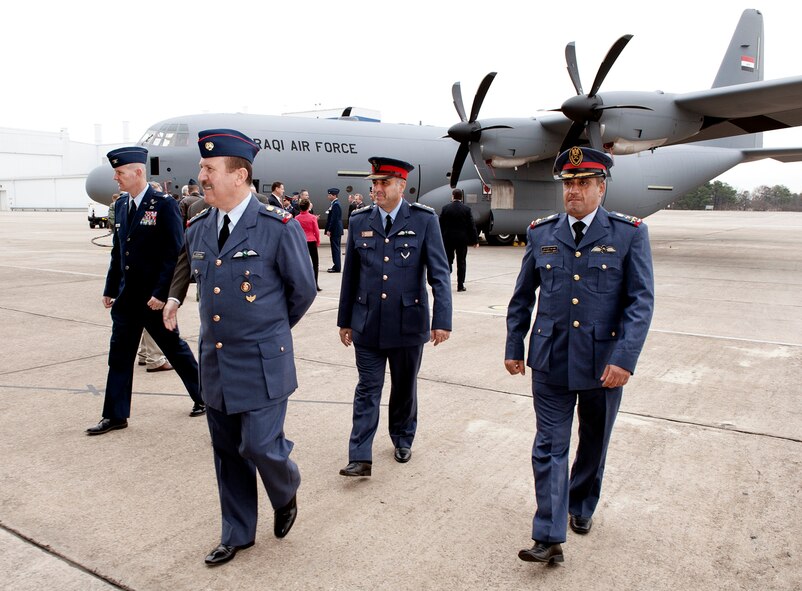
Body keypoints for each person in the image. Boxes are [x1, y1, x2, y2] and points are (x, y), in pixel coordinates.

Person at [505, 146, 655, 565]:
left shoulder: (628, 234)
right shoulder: (541, 232)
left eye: (582, 183)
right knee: (549, 445)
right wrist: (514, 344)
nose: (573, 192)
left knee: (593, 442)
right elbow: (521, 297)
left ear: (601, 188)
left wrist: (624, 358)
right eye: (568, 184)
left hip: (603, 363)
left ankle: (581, 504)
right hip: (550, 359)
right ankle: (548, 534)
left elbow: (640, 302)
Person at [180, 128, 317, 567]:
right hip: (216, 363)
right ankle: (237, 532)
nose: (201, 175)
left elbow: (303, 291)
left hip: (262, 362)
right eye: (202, 167)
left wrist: (271, 331)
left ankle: (286, 486)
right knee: (226, 452)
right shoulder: (198, 227)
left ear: (239, 176)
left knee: (259, 445)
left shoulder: (277, 227)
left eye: (209, 169)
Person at [336, 156, 452, 477]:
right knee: (367, 388)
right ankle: (360, 455)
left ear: (402, 185)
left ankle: (402, 436)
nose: (377, 189)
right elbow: (351, 277)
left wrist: (441, 319)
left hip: (408, 322)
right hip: (367, 322)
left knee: (403, 387)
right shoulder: (360, 221)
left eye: (384, 182)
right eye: (374, 183)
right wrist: (345, 320)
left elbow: (440, 274)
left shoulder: (424, 220)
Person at [86, 147, 205, 436]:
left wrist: (163, 293)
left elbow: (175, 251)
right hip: (127, 299)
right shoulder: (124, 205)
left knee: (175, 350)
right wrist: (111, 287)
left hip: (154, 299)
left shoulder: (163, 204)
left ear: (138, 172)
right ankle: (115, 415)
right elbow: (119, 251)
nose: (116, 178)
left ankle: (204, 398)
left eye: (120, 173)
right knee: (119, 356)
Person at [438, 188, 479, 292]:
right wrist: (475, 240)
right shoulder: (466, 209)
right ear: (461, 197)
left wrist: (439, 238)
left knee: (447, 261)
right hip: (462, 240)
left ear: (452, 196)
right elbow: (471, 225)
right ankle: (460, 285)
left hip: (448, 239)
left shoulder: (445, 208)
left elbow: (439, 224)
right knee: (461, 262)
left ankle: (446, 281)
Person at [295, 197, 321, 291]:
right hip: (311, 241)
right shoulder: (312, 217)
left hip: (301, 242)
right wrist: (318, 241)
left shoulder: (297, 218)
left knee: (302, 263)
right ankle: (315, 283)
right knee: (315, 263)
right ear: (308, 207)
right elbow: (316, 231)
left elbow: (296, 231)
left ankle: (302, 283)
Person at [324, 188, 343, 273]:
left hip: (335, 230)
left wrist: (329, 230)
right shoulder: (334, 204)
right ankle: (336, 265)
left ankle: (337, 267)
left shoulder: (336, 205)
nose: (328, 196)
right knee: (335, 248)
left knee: (335, 249)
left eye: (330, 195)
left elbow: (334, 219)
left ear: (334, 195)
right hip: (336, 230)